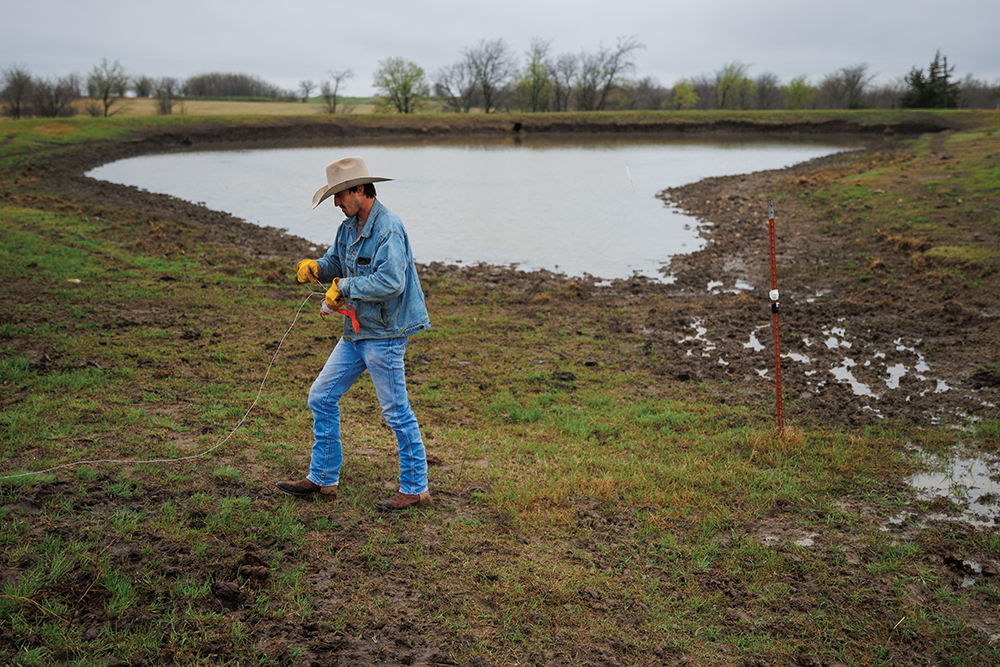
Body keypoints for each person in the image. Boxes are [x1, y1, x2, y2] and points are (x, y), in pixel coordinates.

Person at [276, 156, 432, 511]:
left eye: (340, 195)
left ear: (360, 190)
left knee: (395, 412)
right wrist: (316, 266)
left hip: (386, 334)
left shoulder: (389, 228)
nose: (336, 203)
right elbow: (336, 262)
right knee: (320, 395)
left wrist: (343, 287)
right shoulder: (348, 226)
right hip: (357, 333)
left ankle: (415, 488)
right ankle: (323, 478)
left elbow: (392, 282)